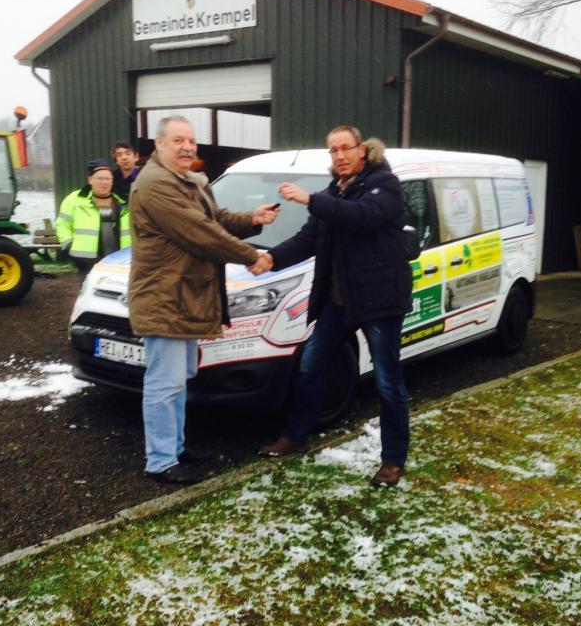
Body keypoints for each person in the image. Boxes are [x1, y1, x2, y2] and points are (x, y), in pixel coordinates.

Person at [250, 126, 412, 487]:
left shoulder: (384, 185)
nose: (338, 156)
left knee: (388, 382)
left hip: (379, 300)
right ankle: (296, 434)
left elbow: (362, 216)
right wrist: (270, 259)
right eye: (332, 150)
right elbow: (309, 238)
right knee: (310, 366)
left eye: (345, 148)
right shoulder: (331, 193)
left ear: (363, 150)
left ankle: (393, 459)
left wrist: (310, 200)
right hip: (339, 300)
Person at [128, 115, 279, 484]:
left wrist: (251, 219)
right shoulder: (153, 184)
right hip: (164, 297)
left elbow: (217, 218)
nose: (187, 147)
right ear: (159, 145)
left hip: (187, 296)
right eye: (178, 140)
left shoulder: (192, 180)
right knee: (165, 382)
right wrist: (252, 256)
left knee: (181, 377)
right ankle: (161, 461)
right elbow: (199, 232)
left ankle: (176, 448)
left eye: (191, 140)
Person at [55, 158, 131, 277]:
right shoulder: (74, 200)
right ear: (90, 180)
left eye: (108, 179)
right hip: (86, 261)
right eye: (100, 178)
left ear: (112, 181)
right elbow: (62, 225)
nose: (104, 182)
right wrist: (68, 245)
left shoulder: (122, 202)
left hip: (119, 261)